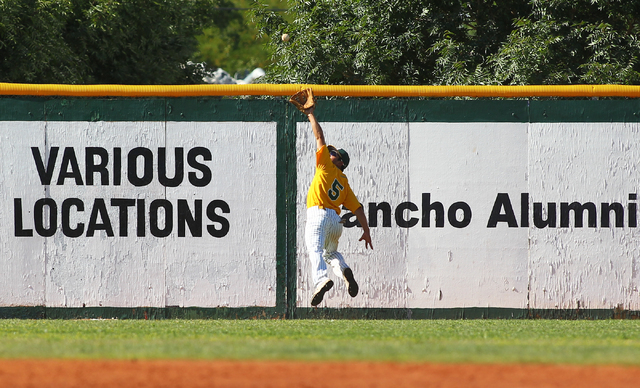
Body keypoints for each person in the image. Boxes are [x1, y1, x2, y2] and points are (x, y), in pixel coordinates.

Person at [303, 103, 373, 307]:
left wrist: (310, 115)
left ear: (340, 162)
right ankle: (344, 270)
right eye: (331, 152)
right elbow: (358, 209)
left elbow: (319, 137)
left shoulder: (325, 165)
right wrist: (366, 231)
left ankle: (320, 280)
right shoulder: (344, 183)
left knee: (314, 250)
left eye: (335, 154)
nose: (330, 153)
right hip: (335, 222)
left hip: (318, 215)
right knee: (330, 253)